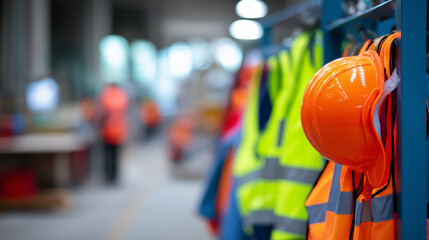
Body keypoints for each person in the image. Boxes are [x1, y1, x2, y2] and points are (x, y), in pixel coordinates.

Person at [100, 84, 129, 184]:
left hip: (107, 131)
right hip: (118, 131)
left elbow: (103, 113)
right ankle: (115, 177)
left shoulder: (106, 95)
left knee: (108, 154)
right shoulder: (122, 95)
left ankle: (108, 177)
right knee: (115, 155)